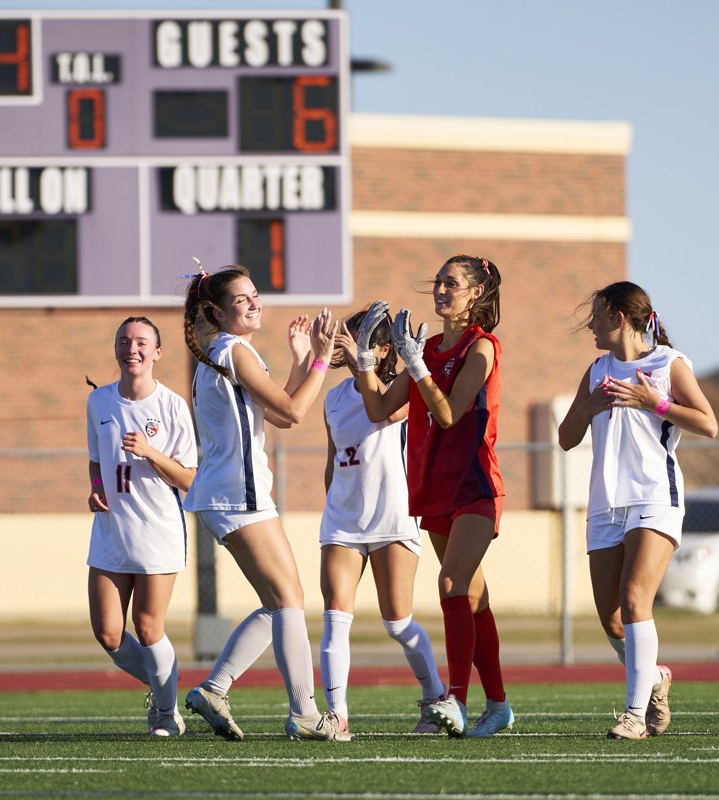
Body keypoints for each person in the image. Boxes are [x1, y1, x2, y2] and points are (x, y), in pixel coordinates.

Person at [179, 263, 341, 741]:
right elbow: (295, 410)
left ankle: (215, 688)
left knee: (278, 603)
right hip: (237, 495)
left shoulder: (223, 353)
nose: (254, 303)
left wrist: (300, 360)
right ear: (217, 311)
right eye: (242, 299)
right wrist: (321, 358)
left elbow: (281, 414)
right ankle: (306, 715)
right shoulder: (234, 350)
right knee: (290, 599)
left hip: (224, 495)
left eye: (255, 295)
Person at [354, 254, 511, 738]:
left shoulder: (481, 349)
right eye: (438, 282)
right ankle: (499, 706)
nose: (440, 290)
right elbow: (380, 405)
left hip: (474, 484)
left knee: (450, 584)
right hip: (435, 486)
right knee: (473, 598)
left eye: (452, 283)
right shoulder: (428, 348)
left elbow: (449, 415)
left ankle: (456, 701)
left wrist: (419, 365)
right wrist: (364, 361)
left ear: (476, 294)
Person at [556, 281, 718, 740]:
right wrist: (588, 404)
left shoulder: (669, 363)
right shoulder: (596, 370)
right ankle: (656, 677)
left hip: (654, 497)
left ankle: (633, 713)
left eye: (598, 314)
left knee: (634, 600)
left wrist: (657, 403)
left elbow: (709, 423)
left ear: (620, 317)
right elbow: (566, 438)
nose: (590, 323)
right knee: (611, 618)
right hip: (605, 502)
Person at [317, 307, 447, 739]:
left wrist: (365, 363)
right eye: (349, 338)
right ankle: (337, 715)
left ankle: (433, 700)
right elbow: (332, 459)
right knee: (335, 615)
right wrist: (333, 502)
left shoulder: (398, 389)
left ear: (384, 348)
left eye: (362, 339)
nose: (348, 346)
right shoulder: (334, 397)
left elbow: (382, 415)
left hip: (393, 517)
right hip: (344, 520)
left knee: (396, 621)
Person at [86, 316, 198, 737]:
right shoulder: (99, 401)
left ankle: (166, 713)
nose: (131, 349)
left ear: (157, 352)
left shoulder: (171, 406)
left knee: (148, 629)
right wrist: (95, 488)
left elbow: (189, 478)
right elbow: (97, 460)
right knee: (109, 633)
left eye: (140, 343)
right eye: (124, 341)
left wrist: (151, 452)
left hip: (157, 530)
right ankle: (163, 686)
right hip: (111, 530)